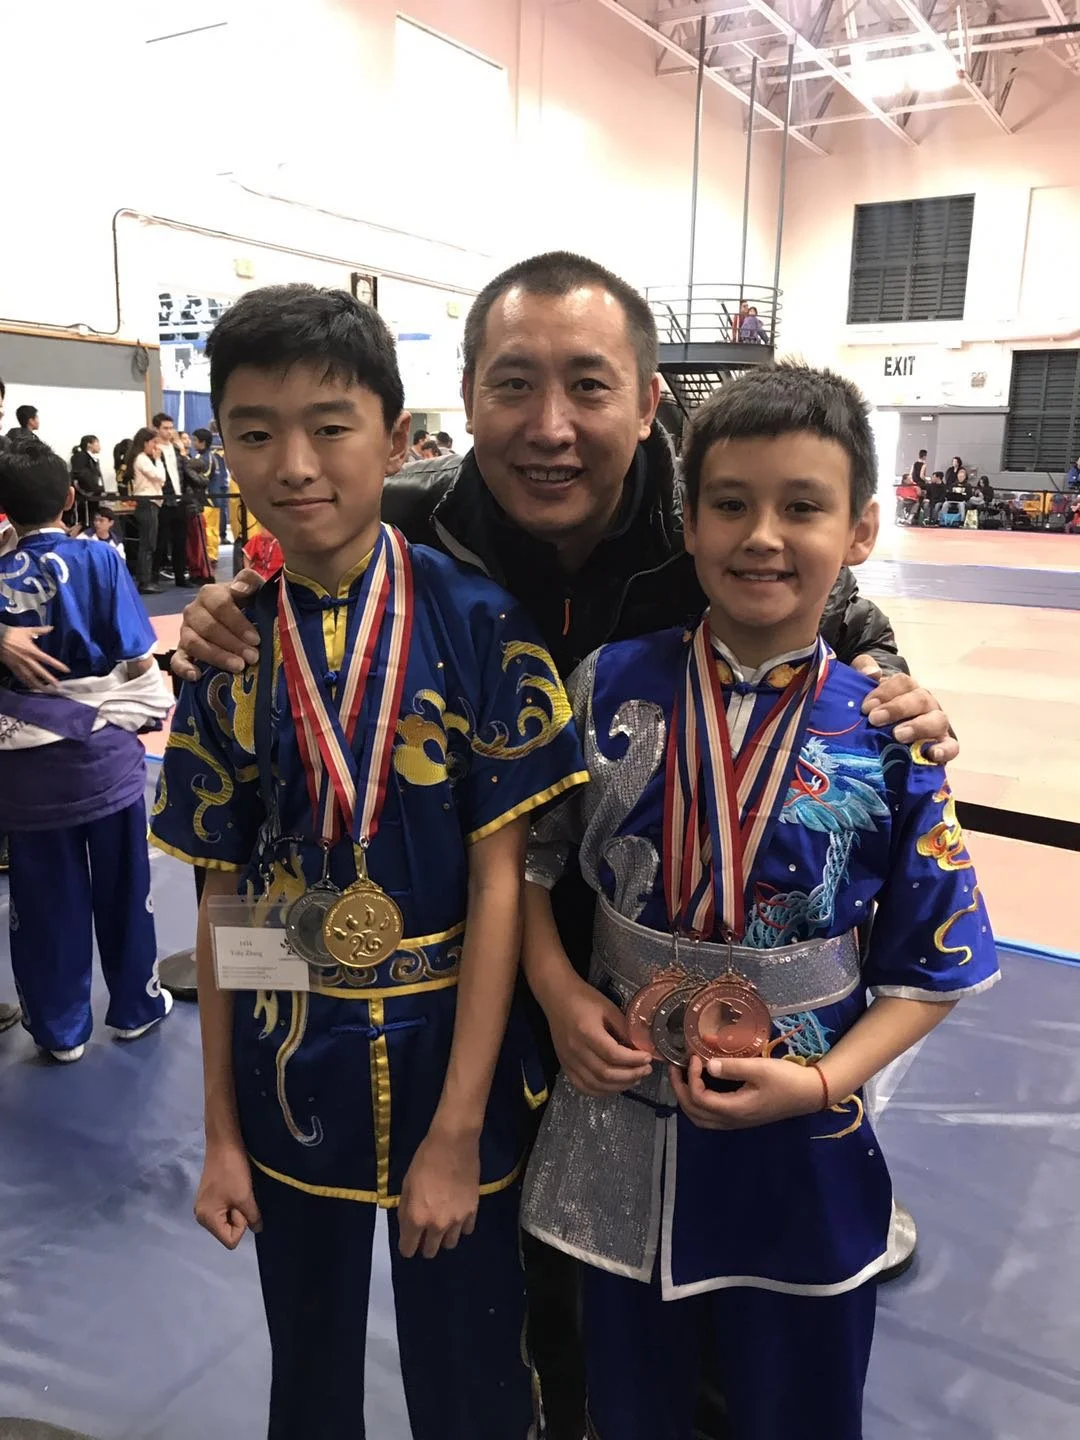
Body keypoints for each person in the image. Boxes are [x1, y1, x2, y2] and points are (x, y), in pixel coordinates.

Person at [169, 250, 959, 1440]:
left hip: (629, 971)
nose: (550, 426)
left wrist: (891, 686)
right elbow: (247, 871)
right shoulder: (397, 517)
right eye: (512, 387)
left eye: (589, 388)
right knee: (504, 1306)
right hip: (417, 992)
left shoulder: (694, 518)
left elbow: (825, 606)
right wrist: (231, 609)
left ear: (649, 405)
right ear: (459, 402)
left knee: (676, 1323)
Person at [519, 365, 1000, 1440]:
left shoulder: (888, 731)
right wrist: (556, 994)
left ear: (863, 528)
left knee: (803, 1405)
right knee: (628, 1401)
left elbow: (938, 965)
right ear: (687, 525)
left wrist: (825, 1079)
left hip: (803, 1143)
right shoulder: (606, 682)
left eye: (802, 506)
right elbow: (532, 861)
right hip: (621, 1117)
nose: (762, 536)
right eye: (730, 504)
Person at [148, 283, 587, 1440]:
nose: (295, 463)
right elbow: (226, 905)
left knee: (475, 1381)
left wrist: (454, 1133)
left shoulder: (479, 625)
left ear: (395, 438)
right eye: (254, 432)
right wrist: (223, 1136)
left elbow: (502, 880)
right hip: (293, 1069)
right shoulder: (230, 650)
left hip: (465, 1072)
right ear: (221, 445)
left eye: (330, 426)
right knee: (309, 1384)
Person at [0, 439, 174, 1061]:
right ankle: (134, 1006)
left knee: (45, 897)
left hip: (24, 769)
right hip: (103, 758)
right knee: (127, 883)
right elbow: (135, 652)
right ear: (72, 497)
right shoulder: (100, 561)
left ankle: (59, 1029)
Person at [152, 411, 190, 588]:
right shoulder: (153, 449)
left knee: (180, 541)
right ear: (156, 429)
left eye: (170, 428)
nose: (169, 431)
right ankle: (153, 578)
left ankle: (181, 578)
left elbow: (185, 471)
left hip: (180, 498)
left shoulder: (176, 449)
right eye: (165, 428)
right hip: (162, 500)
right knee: (160, 541)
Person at [128, 427, 165, 594]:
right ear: (145, 442)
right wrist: (158, 460)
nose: (155, 446)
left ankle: (146, 579)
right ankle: (144, 581)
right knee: (148, 543)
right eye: (153, 442)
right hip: (147, 502)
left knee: (149, 543)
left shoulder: (141, 458)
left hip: (150, 503)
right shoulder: (142, 459)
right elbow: (160, 477)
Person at [180, 427, 214, 582]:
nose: (191, 442)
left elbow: (205, 479)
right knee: (194, 541)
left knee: (204, 539)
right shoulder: (197, 457)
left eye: (193, 439)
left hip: (204, 503)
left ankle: (206, 572)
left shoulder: (207, 458)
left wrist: (187, 468)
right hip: (191, 503)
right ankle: (197, 570)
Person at [70, 434, 105, 528]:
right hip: (85, 498)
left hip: (95, 496)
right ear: (89, 445)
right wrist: (86, 493)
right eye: (97, 443)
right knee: (86, 522)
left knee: (93, 519)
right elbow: (77, 477)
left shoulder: (93, 459)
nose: (99, 446)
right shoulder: (80, 457)